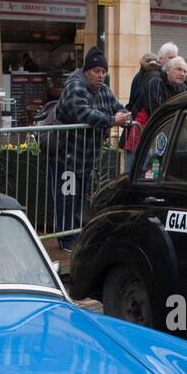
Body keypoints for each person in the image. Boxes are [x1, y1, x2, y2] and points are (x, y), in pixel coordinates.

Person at [48, 47, 131, 251]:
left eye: (104, 71)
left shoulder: (103, 90)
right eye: (96, 71)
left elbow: (119, 107)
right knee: (67, 198)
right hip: (65, 155)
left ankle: (75, 232)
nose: (101, 75)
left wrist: (122, 115)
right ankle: (66, 237)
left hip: (86, 157)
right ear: (86, 71)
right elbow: (83, 114)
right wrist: (113, 120)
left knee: (79, 198)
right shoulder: (75, 87)